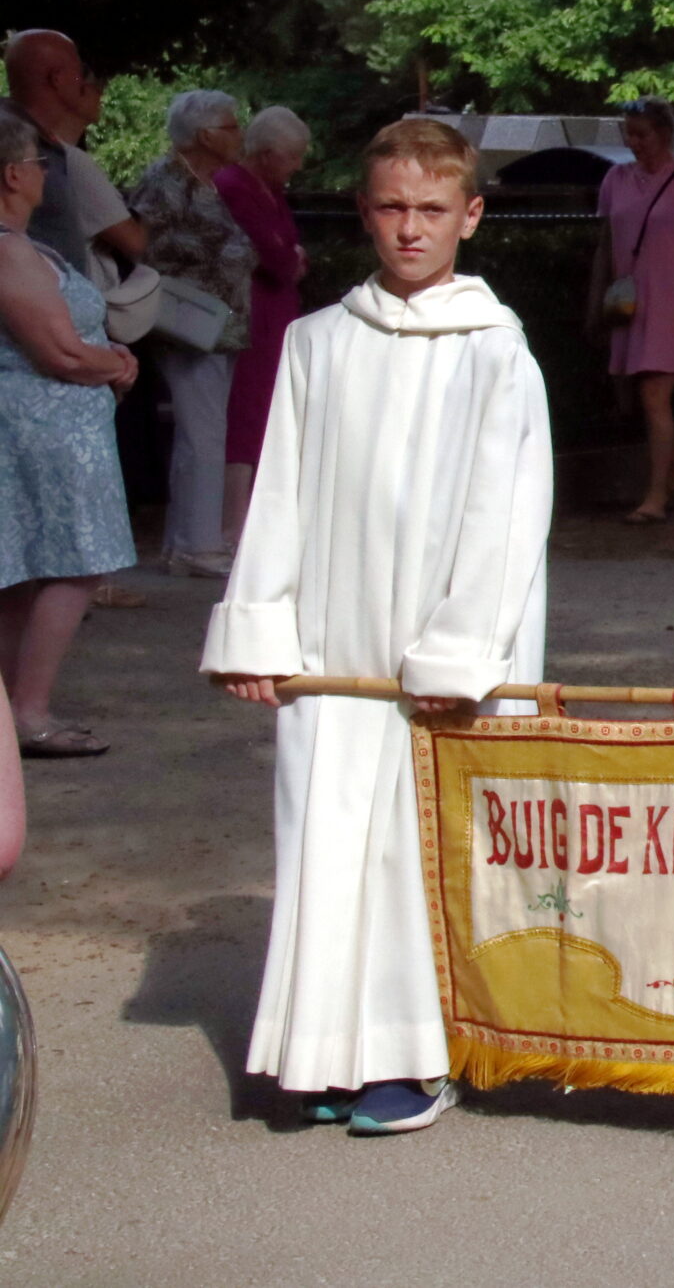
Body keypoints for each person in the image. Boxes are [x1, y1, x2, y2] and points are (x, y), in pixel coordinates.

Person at [203, 117, 552, 1136]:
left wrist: (459, 652)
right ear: (363, 211)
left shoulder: (497, 351)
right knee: (324, 831)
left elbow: (505, 517)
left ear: (469, 216)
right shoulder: (319, 342)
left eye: (432, 210)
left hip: (440, 648)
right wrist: (260, 631)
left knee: (415, 845)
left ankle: (416, 1055)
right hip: (333, 641)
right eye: (392, 207)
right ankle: (324, 1048)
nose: (410, 228)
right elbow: (281, 492)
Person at [0, 103, 139, 758]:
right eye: (36, 163)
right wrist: (116, 363)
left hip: (50, 428)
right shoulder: (8, 251)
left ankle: (14, 710)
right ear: (11, 174)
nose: (43, 175)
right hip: (47, 431)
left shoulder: (22, 245)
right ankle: (30, 712)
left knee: (24, 573)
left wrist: (107, 356)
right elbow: (59, 352)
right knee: (75, 566)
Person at [131, 90, 256, 577]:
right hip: (187, 324)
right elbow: (140, 247)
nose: (239, 134)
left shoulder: (208, 181)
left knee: (203, 430)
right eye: (231, 126)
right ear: (205, 135)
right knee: (202, 433)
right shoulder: (166, 181)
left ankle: (185, 542)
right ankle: (198, 545)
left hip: (217, 326)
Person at [586, 98, 674, 523]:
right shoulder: (615, 179)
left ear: (663, 134)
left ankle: (656, 496)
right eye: (629, 133)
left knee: (654, 395)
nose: (634, 142)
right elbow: (606, 245)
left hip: (673, 301)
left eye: (642, 133)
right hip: (629, 301)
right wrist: (597, 301)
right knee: (636, 396)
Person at [214, 107, 307, 547]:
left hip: (274, 313)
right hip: (251, 313)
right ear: (268, 154)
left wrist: (289, 257)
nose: (298, 166)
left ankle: (251, 519)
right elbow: (276, 254)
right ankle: (232, 524)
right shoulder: (235, 186)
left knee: (266, 408)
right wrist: (290, 259)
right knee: (245, 412)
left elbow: (287, 249)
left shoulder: (271, 189)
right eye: (293, 156)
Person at [2, 31, 146, 290]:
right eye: (80, 72)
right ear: (57, 78)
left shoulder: (32, 139)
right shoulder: (19, 145)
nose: (88, 84)